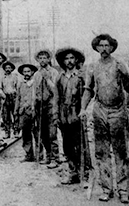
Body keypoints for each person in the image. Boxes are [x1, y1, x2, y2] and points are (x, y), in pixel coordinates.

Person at [79, 34, 129, 203]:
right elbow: (88, 89)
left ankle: (123, 190)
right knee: (101, 151)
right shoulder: (92, 67)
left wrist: (126, 75)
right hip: (100, 111)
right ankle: (106, 189)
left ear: (112, 47)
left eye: (107, 45)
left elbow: (128, 86)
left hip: (118, 111)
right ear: (97, 48)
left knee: (120, 151)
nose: (104, 48)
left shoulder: (119, 64)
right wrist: (82, 109)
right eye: (101, 45)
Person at [54, 47, 87, 184]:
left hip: (77, 115)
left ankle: (83, 174)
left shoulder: (80, 77)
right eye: (66, 58)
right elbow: (56, 98)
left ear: (76, 60)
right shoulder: (60, 77)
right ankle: (72, 172)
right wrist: (56, 115)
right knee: (67, 145)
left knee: (79, 144)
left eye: (72, 58)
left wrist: (83, 111)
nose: (69, 61)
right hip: (63, 115)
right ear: (63, 61)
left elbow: (87, 95)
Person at [33, 49, 59, 169]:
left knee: (52, 133)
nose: (43, 60)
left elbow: (56, 90)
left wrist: (48, 79)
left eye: (45, 58)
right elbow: (34, 91)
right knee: (42, 132)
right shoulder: (36, 74)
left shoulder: (53, 72)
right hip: (40, 106)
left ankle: (55, 157)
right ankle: (48, 156)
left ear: (49, 59)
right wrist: (34, 105)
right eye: (40, 58)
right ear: (37, 60)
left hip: (51, 104)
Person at [14, 64, 42, 162]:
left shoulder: (36, 83)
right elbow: (18, 98)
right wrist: (16, 111)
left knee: (37, 133)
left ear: (32, 72)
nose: (26, 74)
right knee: (25, 134)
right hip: (23, 112)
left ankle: (40, 155)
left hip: (34, 112)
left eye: (28, 71)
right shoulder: (21, 84)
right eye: (24, 72)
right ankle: (29, 155)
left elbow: (40, 97)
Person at [0, 61, 19, 138]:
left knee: (15, 115)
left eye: (9, 68)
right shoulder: (2, 78)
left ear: (12, 69)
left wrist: (16, 96)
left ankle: (16, 130)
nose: (8, 69)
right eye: (6, 68)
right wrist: (3, 95)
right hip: (5, 97)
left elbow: (17, 87)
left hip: (13, 97)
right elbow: (0, 88)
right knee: (6, 116)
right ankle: (7, 132)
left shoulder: (15, 77)